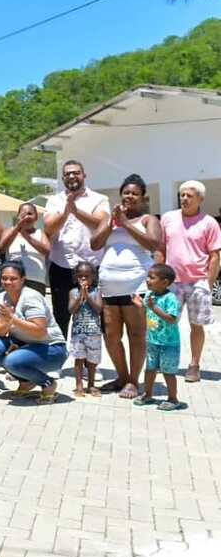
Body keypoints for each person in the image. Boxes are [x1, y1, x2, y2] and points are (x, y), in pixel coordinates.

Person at [90, 174, 160, 397]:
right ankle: (121, 377)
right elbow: (94, 244)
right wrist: (112, 223)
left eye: (134, 193)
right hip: (109, 286)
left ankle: (133, 381)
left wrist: (127, 223)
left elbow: (153, 243)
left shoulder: (148, 220)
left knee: (136, 334)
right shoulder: (110, 218)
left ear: (142, 197)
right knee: (111, 335)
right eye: (126, 193)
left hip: (136, 285)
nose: (129, 196)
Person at [160, 180, 221, 383]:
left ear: (200, 199)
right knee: (165, 323)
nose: (184, 199)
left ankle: (194, 365)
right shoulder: (168, 218)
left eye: (189, 196)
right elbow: (161, 250)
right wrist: (158, 278)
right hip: (172, 283)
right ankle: (165, 361)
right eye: (182, 195)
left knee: (196, 326)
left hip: (197, 283)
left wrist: (208, 284)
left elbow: (214, 257)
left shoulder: (209, 223)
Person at [0, 261, 68, 405]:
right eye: (4, 278)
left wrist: (12, 319)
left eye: (13, 278)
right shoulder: (1, 297)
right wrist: (7, 322)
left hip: (52, 348)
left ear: (23, 279)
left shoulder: (31, 297)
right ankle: (26, 381)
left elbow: (39, 331)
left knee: (11, 361)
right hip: (24, 345)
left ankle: (48, 384)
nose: (8, 282)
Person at [44, 160, 110, 336]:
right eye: (67, 173)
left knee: (93, 314)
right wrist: (66, 211)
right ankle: (60, 359)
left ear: (84, 175)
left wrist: (75, 211)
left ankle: (91, 360)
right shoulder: (53, 200)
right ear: (63, 178)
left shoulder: (100, 199)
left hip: (91, 266)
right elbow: (49, 228)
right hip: (61, 265)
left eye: (76, 172)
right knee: (61, 314)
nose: (72, 176)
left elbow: (100, 224)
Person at [133, 264, 187, 411]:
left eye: (152, 277)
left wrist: (153, 308)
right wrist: (139, 305)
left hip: (168, 344)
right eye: (148, 277)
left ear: (164, 282)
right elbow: (146, 309)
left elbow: (171, 318)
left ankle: (173, 399)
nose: (147, 280)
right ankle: (148, 394)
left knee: (168, 372)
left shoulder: (170, 298)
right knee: (150, 369)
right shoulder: (150, 295)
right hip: (152, 341)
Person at [0, 203, 50, 295]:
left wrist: (25, 235)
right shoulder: (9, 231)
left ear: (36, 217)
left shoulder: (40, 233)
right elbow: (1, 249)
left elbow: (47, 251)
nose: (26, 217)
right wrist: (17, 229)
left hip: (35, 280)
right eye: (23, 214)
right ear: (18, 216)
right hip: (12, 281)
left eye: (30, 214)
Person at [68, 262, 102, 398]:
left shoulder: (97, 292)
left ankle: (91, 384)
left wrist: (87, 296)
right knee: (79, 359)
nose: (83, 279)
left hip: (94, 332)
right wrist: (80, 296)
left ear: (93, 277)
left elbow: (99, 309)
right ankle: (79, 385)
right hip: (78, 332)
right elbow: (71, 310)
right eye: (80, 276)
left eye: (86, 276)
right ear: (76, 277)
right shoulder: (73, 292)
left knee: (93, 360)